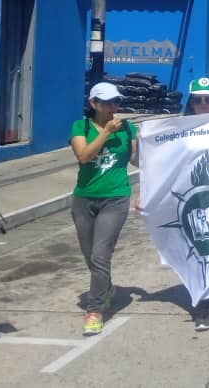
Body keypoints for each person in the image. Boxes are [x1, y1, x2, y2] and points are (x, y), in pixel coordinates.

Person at [70, 82, 137, 336]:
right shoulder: (81, 127)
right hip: (84, 199)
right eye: (107, 102)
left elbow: (135, 159)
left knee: (100, 255)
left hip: (115, 198)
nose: (112, 107)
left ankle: (94, 310)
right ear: (93, 104)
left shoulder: (127, 128)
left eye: (116, 102)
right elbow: (84, 156)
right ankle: (106, 288)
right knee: (89, 256)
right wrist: (106, 133)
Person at [179, 77, 209, 330]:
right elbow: (162, 164)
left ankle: (207, 295)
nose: (204, 104)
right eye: (198, 99)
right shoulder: (177, 128)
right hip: (189, 198)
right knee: (196, 252)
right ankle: (202, 304)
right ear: (191, 101)